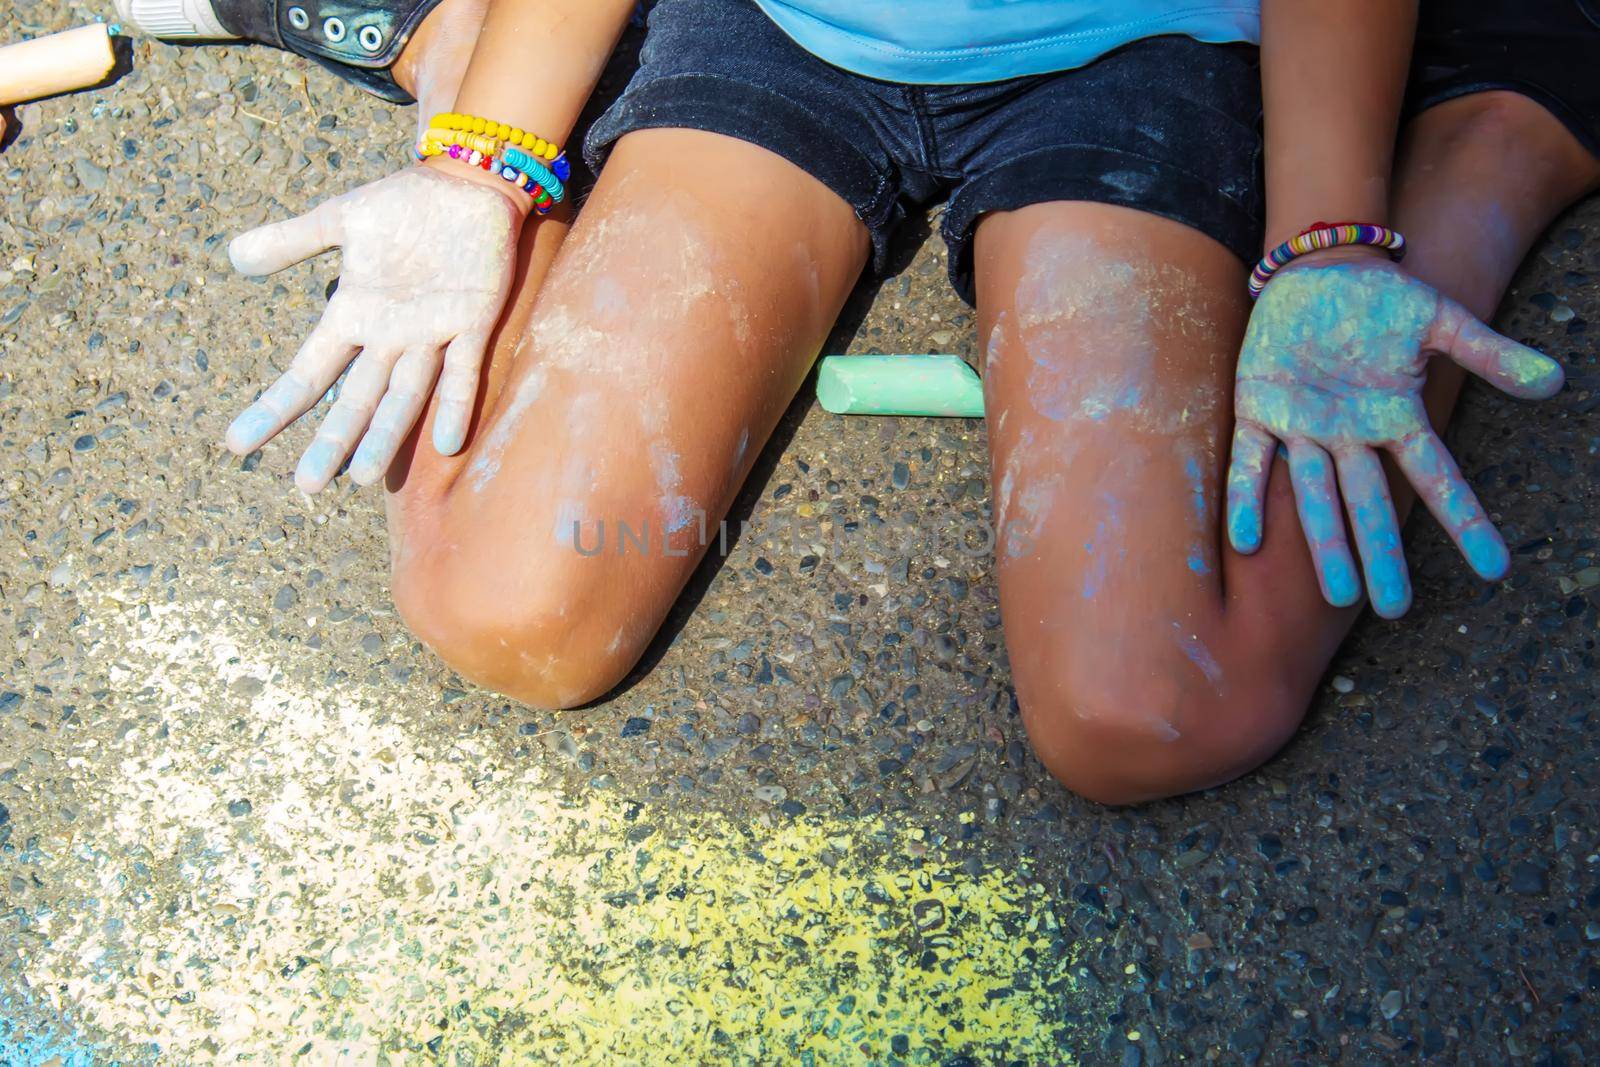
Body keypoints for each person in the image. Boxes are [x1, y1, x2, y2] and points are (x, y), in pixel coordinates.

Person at [212, 0, 1600, 803]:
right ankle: (455, 38)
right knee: (513, 613)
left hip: (1146, 40)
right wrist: (481, 166)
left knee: (1151, 710)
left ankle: (1498, 136)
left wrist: (1333, 246)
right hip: (779, 25)